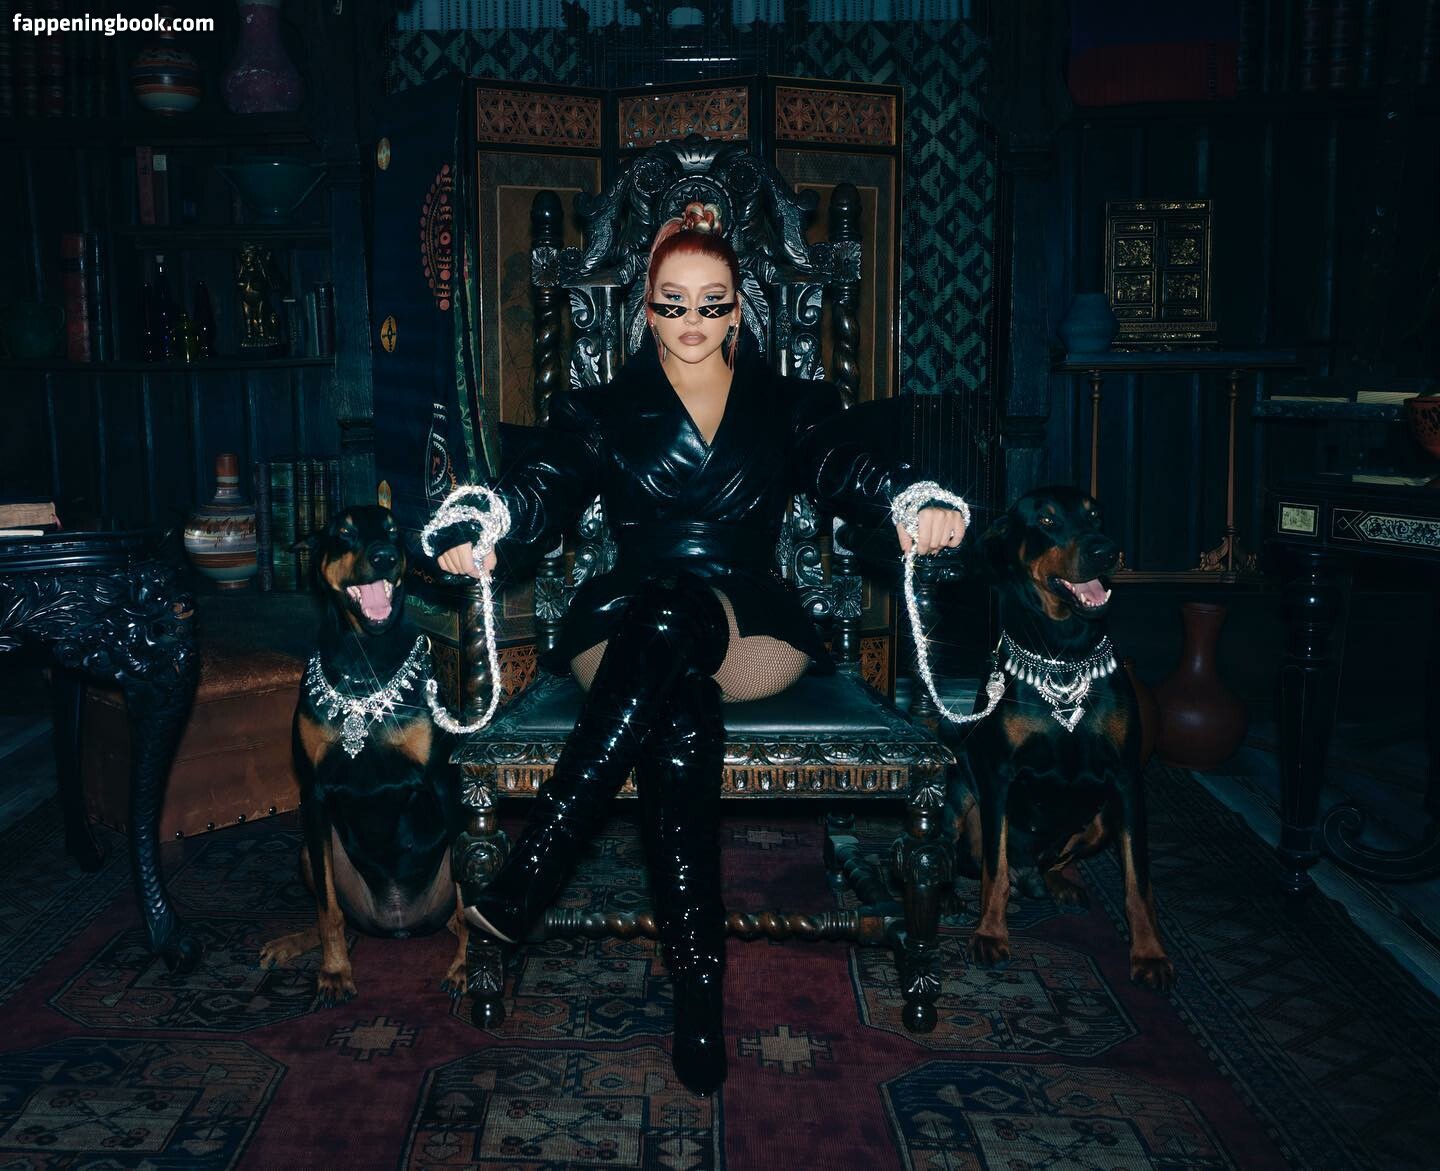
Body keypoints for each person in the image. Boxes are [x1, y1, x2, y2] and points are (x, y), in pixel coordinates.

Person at [424, 201, 967, 1096]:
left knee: (676, 618)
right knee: (674, 693)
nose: (692, 321)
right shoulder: (597, 409)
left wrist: (914, 500)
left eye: (712, 302)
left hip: (750, 630)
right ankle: (699, 994)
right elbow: (541, 485)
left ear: (739, 308)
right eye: (671, 302)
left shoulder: (791, 402)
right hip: (623, 627)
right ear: (645, 309)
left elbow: (847, 468)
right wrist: (489, 522)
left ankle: (538, 863)